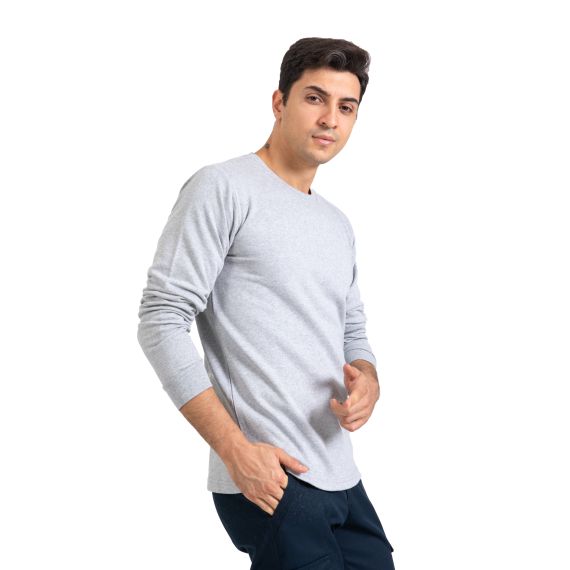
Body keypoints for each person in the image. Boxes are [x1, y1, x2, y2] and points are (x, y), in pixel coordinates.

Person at [137, 36, 396, 569]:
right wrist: (235, 451)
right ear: (279, 102)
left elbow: (351, 328)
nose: (330, 119)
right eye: (314, 98)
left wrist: (368, 377)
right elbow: (161, 319)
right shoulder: (223, 187)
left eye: (346, 107)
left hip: (341, 475)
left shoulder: (336, 223)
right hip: (271, 478)